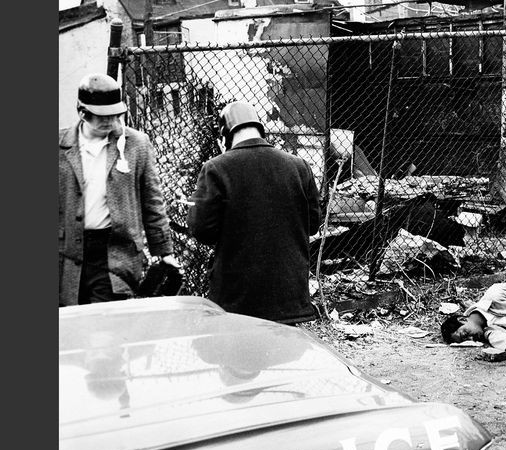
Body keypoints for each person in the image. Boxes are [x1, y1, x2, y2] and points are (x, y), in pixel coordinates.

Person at [186, 101, 321, 324]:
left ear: (225, 136)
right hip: (288, 296)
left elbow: (202, 231)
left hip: (237, 297)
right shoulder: (299, 166)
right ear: (260, 128)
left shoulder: (216, 168)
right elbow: (313, 224)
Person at [59, 73, 180, 306]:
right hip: (67, 254)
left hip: (114, 254)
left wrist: (164, 251)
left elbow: (152, 201)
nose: (110, 121)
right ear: (82, 112)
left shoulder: (136, 144)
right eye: (102, 116)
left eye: (115, 114)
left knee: (106, 325)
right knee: (70, 327)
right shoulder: (60, 146)